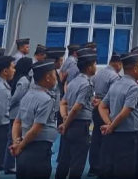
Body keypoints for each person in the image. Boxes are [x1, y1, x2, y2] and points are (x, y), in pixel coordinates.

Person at [10, 59, 60, 179]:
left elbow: (17, 122)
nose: (56, 78)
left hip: (25, 147)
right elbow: (36, 129)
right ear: (47, 78)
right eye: (54, 74)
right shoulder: (46, 100)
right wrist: (20, 146)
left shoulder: (28, 95)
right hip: (38, 150)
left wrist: (16, 142)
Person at [99, 51, 138, 179]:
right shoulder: (134, 87)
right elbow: (125, 112)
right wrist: (111, 126)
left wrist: (109, 124)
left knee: (112, 167)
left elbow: (102, 106)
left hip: (113, 134)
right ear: (135, 69)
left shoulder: (116, 84)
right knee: (126, 169)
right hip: (128, 134)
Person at [56, 48, 97, 179]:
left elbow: (63, 103)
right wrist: (65, 124)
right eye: (95, 64)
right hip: (80, 125)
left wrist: (64, 118)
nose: (96, 67)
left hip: (69, 124)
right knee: (77, 162)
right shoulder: (86, 84)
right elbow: (76, 108)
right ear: (89, 67)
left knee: (65, 159)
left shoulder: (73, 82)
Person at [90, 53, 122, 178]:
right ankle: (103, 167)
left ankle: (93, 167)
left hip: (96, 107)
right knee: (106, 139)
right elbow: (114, 95)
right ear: (118, 64)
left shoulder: (99, 73)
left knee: (96, 138)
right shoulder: (114, 77)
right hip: (107, 109)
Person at [4, 57, 34, 175]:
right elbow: (17, 97)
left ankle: (10, 164)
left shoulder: (20, 77)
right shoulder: (24, 80)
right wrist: (8, 106)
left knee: (12, 138)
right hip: (17, 112)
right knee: (14, 139)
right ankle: (10, 164)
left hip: (15, 112)